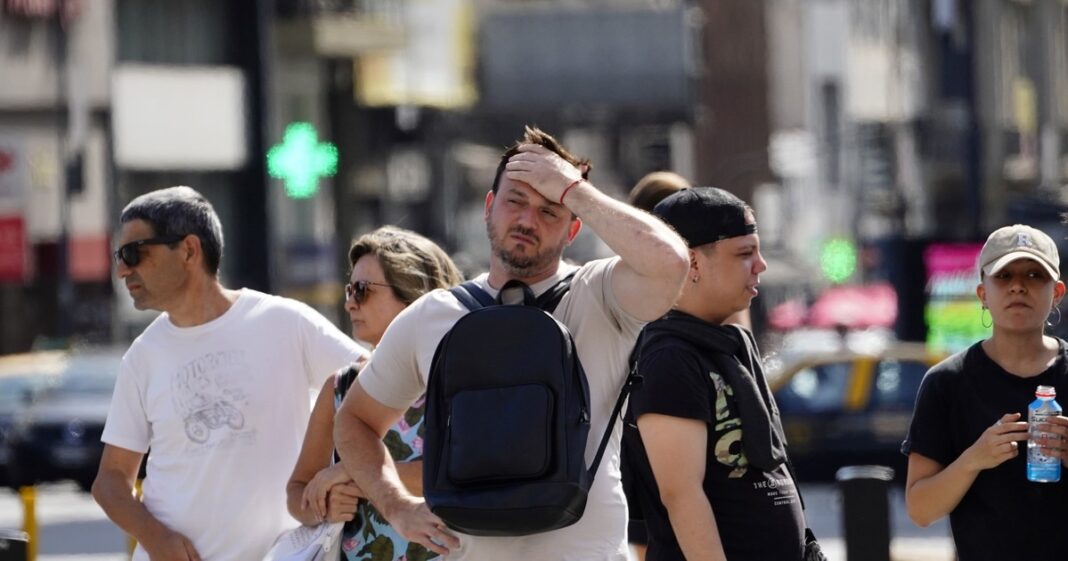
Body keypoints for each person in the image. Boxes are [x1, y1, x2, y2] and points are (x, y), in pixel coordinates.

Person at [334, 126, 690, 560]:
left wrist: (573, 188)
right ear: (489, 207)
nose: (526, 220)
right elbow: (354, 422)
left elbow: (672, 263)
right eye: (515, 202)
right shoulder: (432, 315)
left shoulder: (601, 295)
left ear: (572, 229)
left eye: (549, 211)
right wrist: (395, 505)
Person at [92, 186, 366, 561]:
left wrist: (333, 472)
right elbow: (110, 481)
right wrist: (155, 538)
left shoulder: (285, 322)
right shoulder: (143, 356)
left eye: (134, 253)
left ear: (189, 250)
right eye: (119, 256)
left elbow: (375, 388)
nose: (123, 269)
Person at [628, 187, 807, 561]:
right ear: (691, 263)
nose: (761, 265)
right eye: (744, 254)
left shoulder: (733, 343)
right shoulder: (668, 357)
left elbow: (775, 470)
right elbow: (681, 495)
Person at [286, 226, 463, 561]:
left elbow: (467, 475)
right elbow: (298, 492)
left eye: (363, 290)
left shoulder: (459, 379)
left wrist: (353, 471)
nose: (350, 303)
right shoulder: (342, 386)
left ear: (414, 294)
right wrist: (322, 506)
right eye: (349, 290)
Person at [902, 224, 1068, 560]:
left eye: (1035, 275)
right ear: (982, 294)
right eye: (1004, 276)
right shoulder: (947, 382)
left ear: (1057, 293)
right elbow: (920, 510)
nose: (1018, 287)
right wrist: (973, 459)